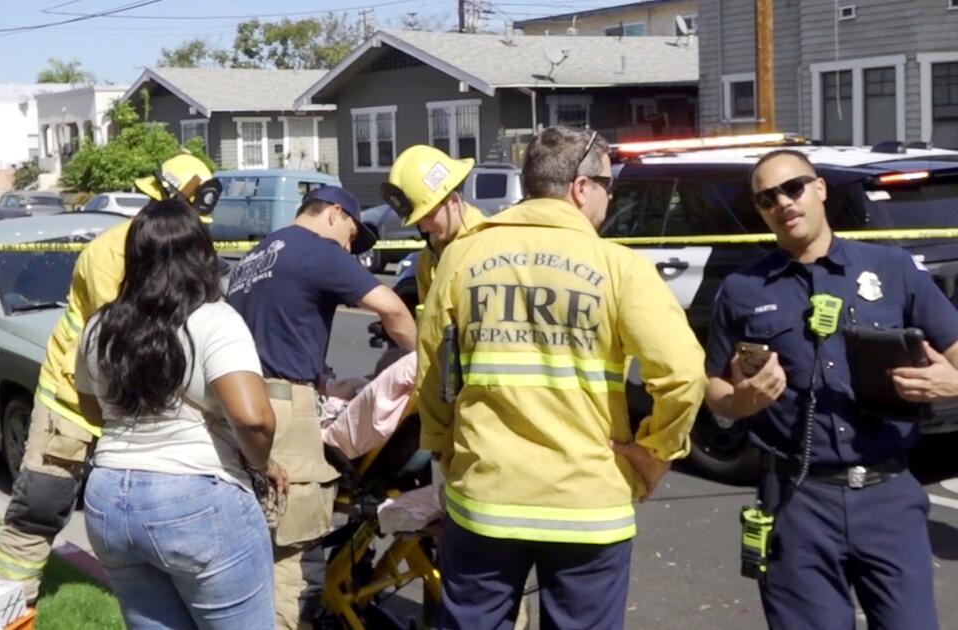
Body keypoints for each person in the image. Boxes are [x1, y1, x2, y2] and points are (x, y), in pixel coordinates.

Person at [416, 125, 706, 629]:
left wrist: (445, 448)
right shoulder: (618, 266)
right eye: (607, 187)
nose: (609, 201)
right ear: (580, 187)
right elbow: (683, 376)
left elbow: (431, 369)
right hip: (587, 507)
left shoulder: (464, 256)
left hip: (486, 497)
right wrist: (655, 454)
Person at [704, 149, 958, 630]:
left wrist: (952, 382)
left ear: (819, 188)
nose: (783, 202)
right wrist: (742, 401)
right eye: (767, 198)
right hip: (798, 501)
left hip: (889, 495)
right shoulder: (743, 288)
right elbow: (714, 387)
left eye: (793, 188)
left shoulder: (891, 268)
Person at [0, 154, 216, 601]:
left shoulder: (178, 252)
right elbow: (128, 340)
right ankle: (5, 600)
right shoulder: (110, 253)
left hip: (134, 404)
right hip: (72, 399)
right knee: (42, 503)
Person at [74, 197, 286, 629]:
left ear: (134, 257)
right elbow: (253, 418)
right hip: (196, 498)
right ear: (202, 255)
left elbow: (91, 407)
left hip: (109, 498)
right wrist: (260, 464)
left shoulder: (99, 326)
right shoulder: (214, 320)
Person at [226, 185, 417, 629]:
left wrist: (327, 385)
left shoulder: (257, 255)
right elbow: (391, 309)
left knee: (255, 549)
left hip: (241, 408)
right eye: (352, 235)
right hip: (284, 420)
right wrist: (424, 362)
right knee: (291, 559)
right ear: (334, 214)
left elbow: (271, 337)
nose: (351, 248)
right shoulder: (315, 247)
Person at [381, 144, 486, 300]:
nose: (424, 226)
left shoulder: (488, 245)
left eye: (429, 215)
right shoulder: (428, 260)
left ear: (453, 201)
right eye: (418, 221)